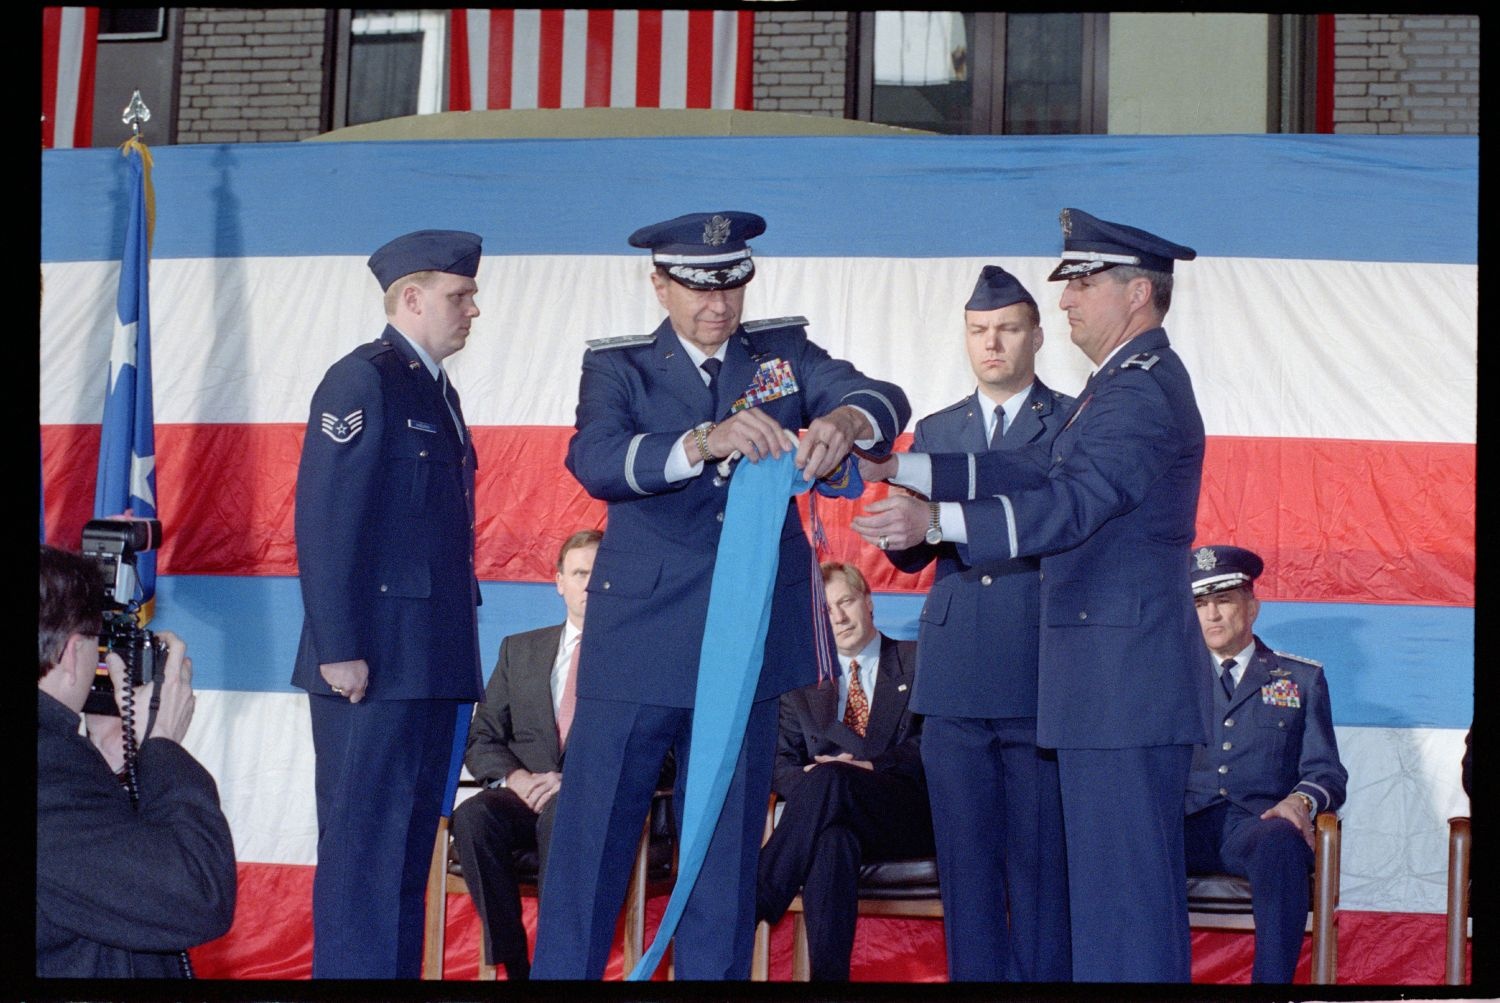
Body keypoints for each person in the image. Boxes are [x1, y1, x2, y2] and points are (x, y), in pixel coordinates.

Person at [532, 211, 910, 980]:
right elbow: (595, 456)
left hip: (744, 650)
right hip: (640, 644)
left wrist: (844, 418)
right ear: (660, 284)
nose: (720, 305)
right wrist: (700, 442)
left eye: (733, 286)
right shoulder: (622, 368)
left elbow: (883, 398)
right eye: (700, 289)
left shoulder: (784, 356)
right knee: (589, 856)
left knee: (725, 865)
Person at [853, 208, 1208, 982]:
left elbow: (1070, 502)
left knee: (1127, 914)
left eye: (1084, 281)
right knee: (1108, 911)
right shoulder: (1115, 386)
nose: (1070, 299)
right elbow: (1029, 474)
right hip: (1108, 689)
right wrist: (905, 470)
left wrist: (937, 520)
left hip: (1124, 689)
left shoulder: (1138, 393)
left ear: (1138, 292)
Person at [292, 229, 487, 978]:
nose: (474, 307)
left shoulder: (437, 390)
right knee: (361, 864)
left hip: (429, 663)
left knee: (407, 861)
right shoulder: (362, 380)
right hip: (368, 667)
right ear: (411, 297)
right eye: (458, 294)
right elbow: (327, 518)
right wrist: (339, 646)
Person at [881, 265, 1073, 981]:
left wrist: (935, 515)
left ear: (1037, 336)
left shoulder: (1072, 420)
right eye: (978, 330)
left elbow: (1053, 520)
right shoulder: (935, 429)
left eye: (1008, 328)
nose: (991, 343)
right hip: (956, 675)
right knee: (965, 873)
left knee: (1039, 874)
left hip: (1035, 665)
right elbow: (916, 554)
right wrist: (895, 532)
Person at [36, 544, 236, 977]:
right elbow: (198, 895)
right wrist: (163, 743)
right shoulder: (48, 769)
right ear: (72, 654)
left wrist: (109, 765)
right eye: (97, 643)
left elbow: (93, 877)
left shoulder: (58, 758)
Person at [756, 562, 930, 981]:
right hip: (828, 822)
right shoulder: (800, 684)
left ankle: (758, 896)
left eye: (846, 602)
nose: (838, 617)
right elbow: (778, 765)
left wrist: (869, 767)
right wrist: (820, 784)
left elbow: (931, 747)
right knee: (833, 841)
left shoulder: (919, 662)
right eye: (824, 610)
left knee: (833, 778)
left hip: (902, 814)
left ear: (869, 602)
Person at [1186, 544, 1347, 983]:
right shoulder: (1168, 677)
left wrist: (1301, 802)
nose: (1212, 615)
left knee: (1281, 840)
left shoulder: (1300, 679)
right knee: (1127, 840)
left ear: (1252, 607)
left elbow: (1327, 773)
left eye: (1224, 601)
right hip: (1180, 824)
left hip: (1254, 827)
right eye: (1200, 604)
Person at [449, 529, 601, 980]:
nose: (590, 584)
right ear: (559, 581)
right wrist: (515, 779)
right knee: (474, 816)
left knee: (562, 814)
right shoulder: (520, 649)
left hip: (590, 802)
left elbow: (658, 752)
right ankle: (515, 966)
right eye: (579, 573)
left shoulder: (636, 659)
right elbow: (483, 738)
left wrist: (571, 783)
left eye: (600, 574)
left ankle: (560, 967)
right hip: (524, 794)